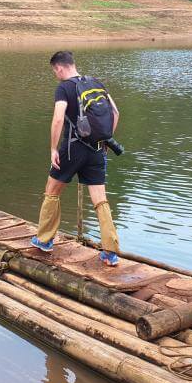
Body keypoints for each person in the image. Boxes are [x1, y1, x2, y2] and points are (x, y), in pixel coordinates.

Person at [30, 51, 121, 266]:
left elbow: (58, 118)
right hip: (98, 149)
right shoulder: (96, 83)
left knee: (52, 191)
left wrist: (53, 148)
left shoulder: (64, 87)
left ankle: (44, 240)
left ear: (59, 67)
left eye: (54, 71)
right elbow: (116, 113)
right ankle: (110, 252)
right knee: (100, 199)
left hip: (72, 149)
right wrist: (106, 140)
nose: (55, 75)